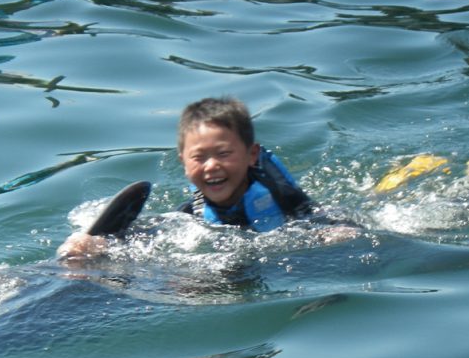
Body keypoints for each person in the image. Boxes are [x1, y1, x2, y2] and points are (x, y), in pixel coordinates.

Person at [58, 96, 320, 258]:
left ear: (252, 155)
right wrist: (89, 244)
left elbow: (319, 220)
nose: (211, 166)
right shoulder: (189, 216)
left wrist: (331, 233)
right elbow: (143, 236)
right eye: (199, 157)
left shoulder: (280, 193)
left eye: (224, 153)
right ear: (183, 162)